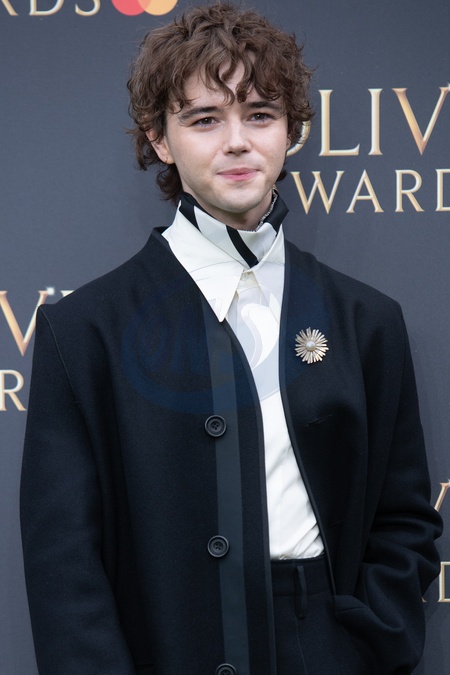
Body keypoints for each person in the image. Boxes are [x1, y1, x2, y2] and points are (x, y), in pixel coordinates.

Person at [21, 4, 442, 674]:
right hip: (162, 646)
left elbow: (405, 521)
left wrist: (368, 645)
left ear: (291, 130)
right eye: (204, 119)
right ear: (160, 139)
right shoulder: (84, 333)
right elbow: (64, 566)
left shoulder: (367, 321)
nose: (238, 141)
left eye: (260, 114)